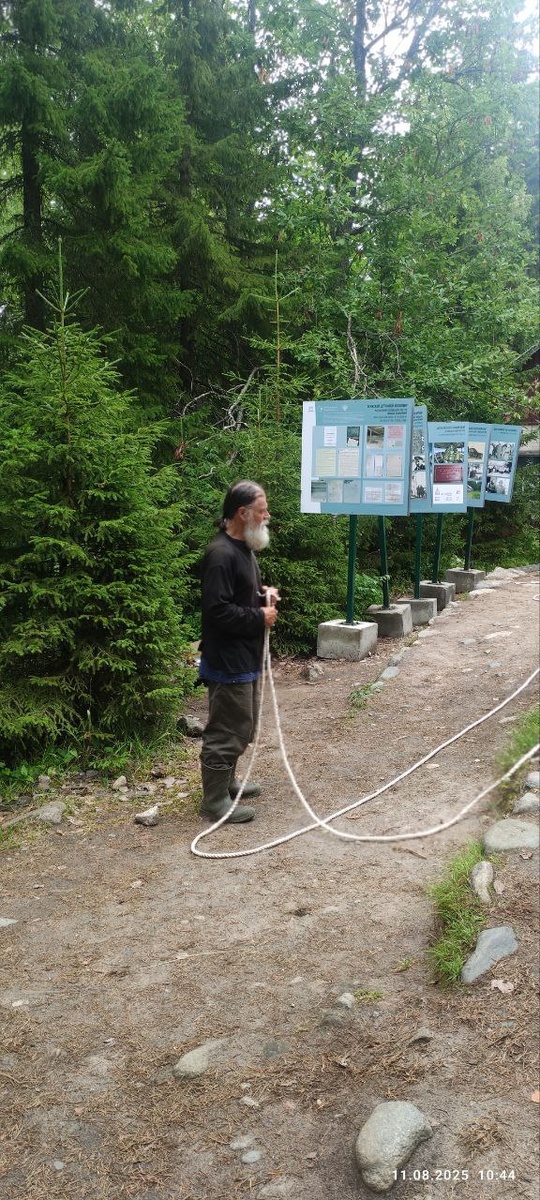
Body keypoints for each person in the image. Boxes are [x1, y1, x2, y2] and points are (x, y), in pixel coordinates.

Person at [198, 481, 279, 823]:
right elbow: (217, 611)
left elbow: (238, 596)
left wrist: (263, 595)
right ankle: (214, 801)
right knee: (228, 730)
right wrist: (259, 616)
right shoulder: (220, 555)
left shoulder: (243, 547)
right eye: (262, 510)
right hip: (227, 660)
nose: (267, 515)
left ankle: (228, 783)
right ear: (243, 513)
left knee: (241, 725)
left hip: (244, 655)